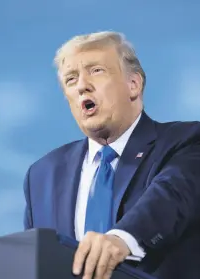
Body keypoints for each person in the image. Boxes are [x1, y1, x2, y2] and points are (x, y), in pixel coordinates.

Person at [23, 31, 200, 279]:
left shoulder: (186, 141)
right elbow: (33, 262)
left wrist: (120, 240)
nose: (82, 85)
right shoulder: (42, 175)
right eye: (71, 79)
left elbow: (170, 198)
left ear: (133, 84)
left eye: (96, 70)